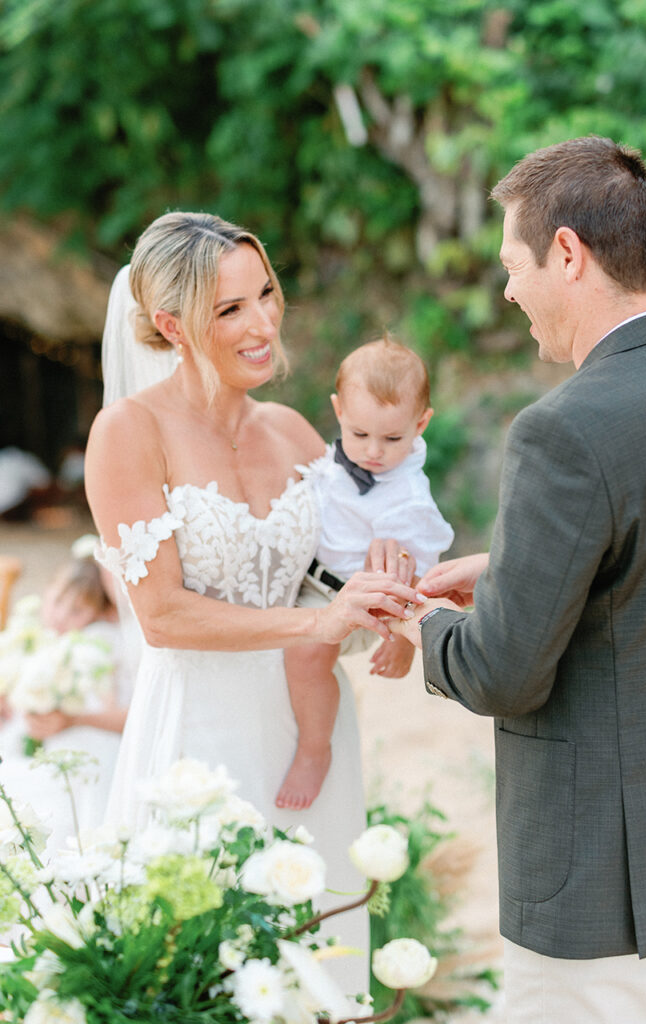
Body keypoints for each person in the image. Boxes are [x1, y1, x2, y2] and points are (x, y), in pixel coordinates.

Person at [393, 136, 646, 1023]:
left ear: (567, 253)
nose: (509, 289)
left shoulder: (561, 430)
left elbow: (507, 671)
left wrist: (417, 627)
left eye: (515, 264)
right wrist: (511, 570)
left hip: (590, 881)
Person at [84, 212, 420, 991]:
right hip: (201, 744)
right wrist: (320, 619)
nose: (264, 322)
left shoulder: (296, 432)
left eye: (266, 293)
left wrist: (388, 618)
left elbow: (338, 578)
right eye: (230, 309)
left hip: (315, 738)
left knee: (321, 974)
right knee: (206, 976)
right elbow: (162, 616)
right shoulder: (128, 432)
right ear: (170, 324)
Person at [278, 338, 454, 810]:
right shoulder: (333, 461)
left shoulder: (409, 499)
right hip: (305, 579)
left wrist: (400, 640)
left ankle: (315, 750)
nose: (373, 451)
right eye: (359, 435)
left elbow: (419, 575)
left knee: (306, 654)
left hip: (356, 602)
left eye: (393, 439)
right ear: (338, 412)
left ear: (421, 425)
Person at [0, 543, 131, 854]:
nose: (61, 616)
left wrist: (69, 719)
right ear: (47, 591)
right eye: (57, 601)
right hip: (34, 737)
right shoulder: (35, 637)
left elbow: (115, 709)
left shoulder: (97, 645)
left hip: (84, 742)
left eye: (77, 610)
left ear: (100, 614)